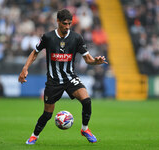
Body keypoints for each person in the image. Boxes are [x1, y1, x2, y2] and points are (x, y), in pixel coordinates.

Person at [18, 9, 108, 145]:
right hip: (53, 81)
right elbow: (35, 53)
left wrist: (96, 61)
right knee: (47, 114)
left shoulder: (76, 38)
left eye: (69, 24)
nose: (67, 27)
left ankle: (85, 129)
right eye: (64, 23)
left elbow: (88, 59)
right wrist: (25, 68)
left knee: (87, 100)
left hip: (70, 78)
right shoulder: (48, 37)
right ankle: (34, 135)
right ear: (58, 21)